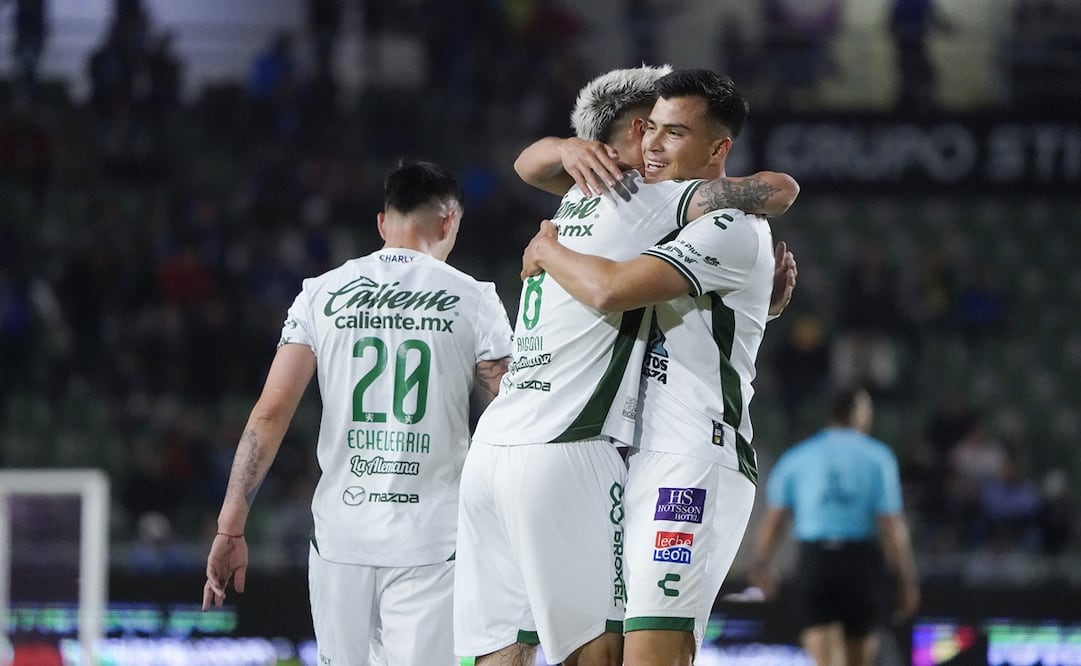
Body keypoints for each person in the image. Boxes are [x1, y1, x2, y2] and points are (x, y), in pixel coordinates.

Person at [455, 66, 798, 666]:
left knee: (640, 652)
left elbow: (613, 289)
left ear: (718, 148)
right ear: (634, 132)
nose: (657, 146)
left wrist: (548, 248)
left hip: (693, 455)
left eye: (674, 133)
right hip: (625, 454)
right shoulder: (640, 201)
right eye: (653, 132)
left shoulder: (721, 220)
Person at [201, 160, 513, 666]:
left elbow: (269, 414)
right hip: (432, 539)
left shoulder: (320, 294)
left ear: (382, 224)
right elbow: (511, 414)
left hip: (340, 536)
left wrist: (230, 525)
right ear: (449, 222)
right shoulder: (475, 299)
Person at [750, 387, 920, 666]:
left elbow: (775, 518)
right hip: (860, 565)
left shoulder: (797, 457)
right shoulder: (878, 457)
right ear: (858, 413)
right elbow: (891, 525)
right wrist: (906, 580)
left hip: (817, 563)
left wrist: (761, 564)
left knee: (825, 661)